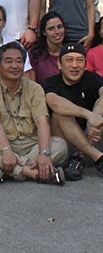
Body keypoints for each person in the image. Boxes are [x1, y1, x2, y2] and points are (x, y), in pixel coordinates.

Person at [0, 41, 67, 184]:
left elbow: (42, 121)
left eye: (19, 61)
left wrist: (43, 153)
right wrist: (6, 151)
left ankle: (10, 171)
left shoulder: (35, 88)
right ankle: (34, 173)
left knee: (60, 145)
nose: (14, 66)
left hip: (32, 144)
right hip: (2, 143)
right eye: (8, 61)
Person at [42, 42, 103, 181]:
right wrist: (89, 115)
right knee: (61, 114)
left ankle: (81, 157)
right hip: (65, 143)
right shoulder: (50, 82)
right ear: (59, 64)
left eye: (79, 60)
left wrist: (95, 120)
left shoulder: (91, 78)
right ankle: (97, 157)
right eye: (69, 60)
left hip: (92, 137)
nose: (75, 65)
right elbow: (53, 102)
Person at [28, 12, 67, 84]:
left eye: (60, 27)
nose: (57, 31)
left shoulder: (71, 52)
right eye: (51, 28)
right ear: (44, 32)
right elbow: (31, 86)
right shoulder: (34, 54)